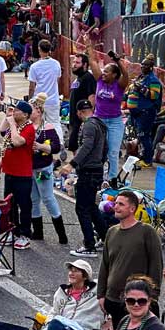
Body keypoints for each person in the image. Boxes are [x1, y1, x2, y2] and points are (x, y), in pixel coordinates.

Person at [97, 191, 162, 328]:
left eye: (121, 204)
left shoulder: (147, 231)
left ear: (132, 209)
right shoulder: (111, 232)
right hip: (112, 299)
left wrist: (152, 298)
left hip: (136, 302)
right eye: (115, 203)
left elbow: (156, 266)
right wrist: (101, 295)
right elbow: (105, 265)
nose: (116, 207)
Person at [63, 100, 109, 258]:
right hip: (96, 169)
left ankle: (89, 245)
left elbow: (87, 146)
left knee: (82, 208)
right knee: (91, 207)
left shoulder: (88, 125)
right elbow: (105, 148)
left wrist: (72, 164)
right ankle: (105, 239)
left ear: (79, 112)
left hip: (88, 171)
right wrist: (100, 162)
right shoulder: (100, 124)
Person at [0, 100, 36, 250]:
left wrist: (12, 124)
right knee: (9, 204)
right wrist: (7, 116)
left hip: (22, 173)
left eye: (17, 111)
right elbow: (4, 137)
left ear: (25, 115)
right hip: (10, 171)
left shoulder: (28, 128)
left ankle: (25, 234)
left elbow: (17, 142)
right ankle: (13, 230)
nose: (15, 113)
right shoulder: (15, 126)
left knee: (24, 205)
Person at [42, 259, 105, 330]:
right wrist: (48, 324)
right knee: (54, 324)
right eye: (71, 270)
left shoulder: (97, 290)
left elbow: (111, 283)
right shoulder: (61, 292)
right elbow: (54, 312)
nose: (71, 273)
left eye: (76, 271)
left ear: (85, 276)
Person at [29, 93, 67, 246]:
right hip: (29, 168)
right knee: (33, 199)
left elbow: (56, 147)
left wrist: (41, 146)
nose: (27, 114)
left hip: (43, 168)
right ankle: (38, 232)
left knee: (48, 198)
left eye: (30, 110)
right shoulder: (26, 127)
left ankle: (62, 234)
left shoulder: (47, 128)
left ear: (38, 111)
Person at [87, 48, 128, 180]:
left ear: (114, 75)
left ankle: (112, 179)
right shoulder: (99, 80)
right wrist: (89, 46)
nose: (103, 73)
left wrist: (118, 61)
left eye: (107, 71)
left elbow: (126, 75)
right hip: (98, 120)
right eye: (103, 70)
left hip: (115, 122)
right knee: (97, 150)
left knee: (113, 152)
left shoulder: (120, 85)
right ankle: (97, 175)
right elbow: (92, 61)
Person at [125, 56, 163, 164]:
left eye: (145, 65)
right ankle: (143, 155)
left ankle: (148, 160)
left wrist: (141, 89)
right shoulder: (140, 77)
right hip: (136, 113)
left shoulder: (153, 80)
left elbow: (154, 96)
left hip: (146, 112)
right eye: (142, 64)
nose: (142, 66)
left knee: (145, 136)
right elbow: (131, 91)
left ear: (151, 67)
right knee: (140, 136)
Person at [27, 40, 61, 125]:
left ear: (39, 49)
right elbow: (57, 80)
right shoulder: (56, 64)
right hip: (53, 100)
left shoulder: (34, 66)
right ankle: (58, 138)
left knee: (37, 125)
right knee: (55, 124)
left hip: (39, 101)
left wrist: (30, 100)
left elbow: (32, 87)